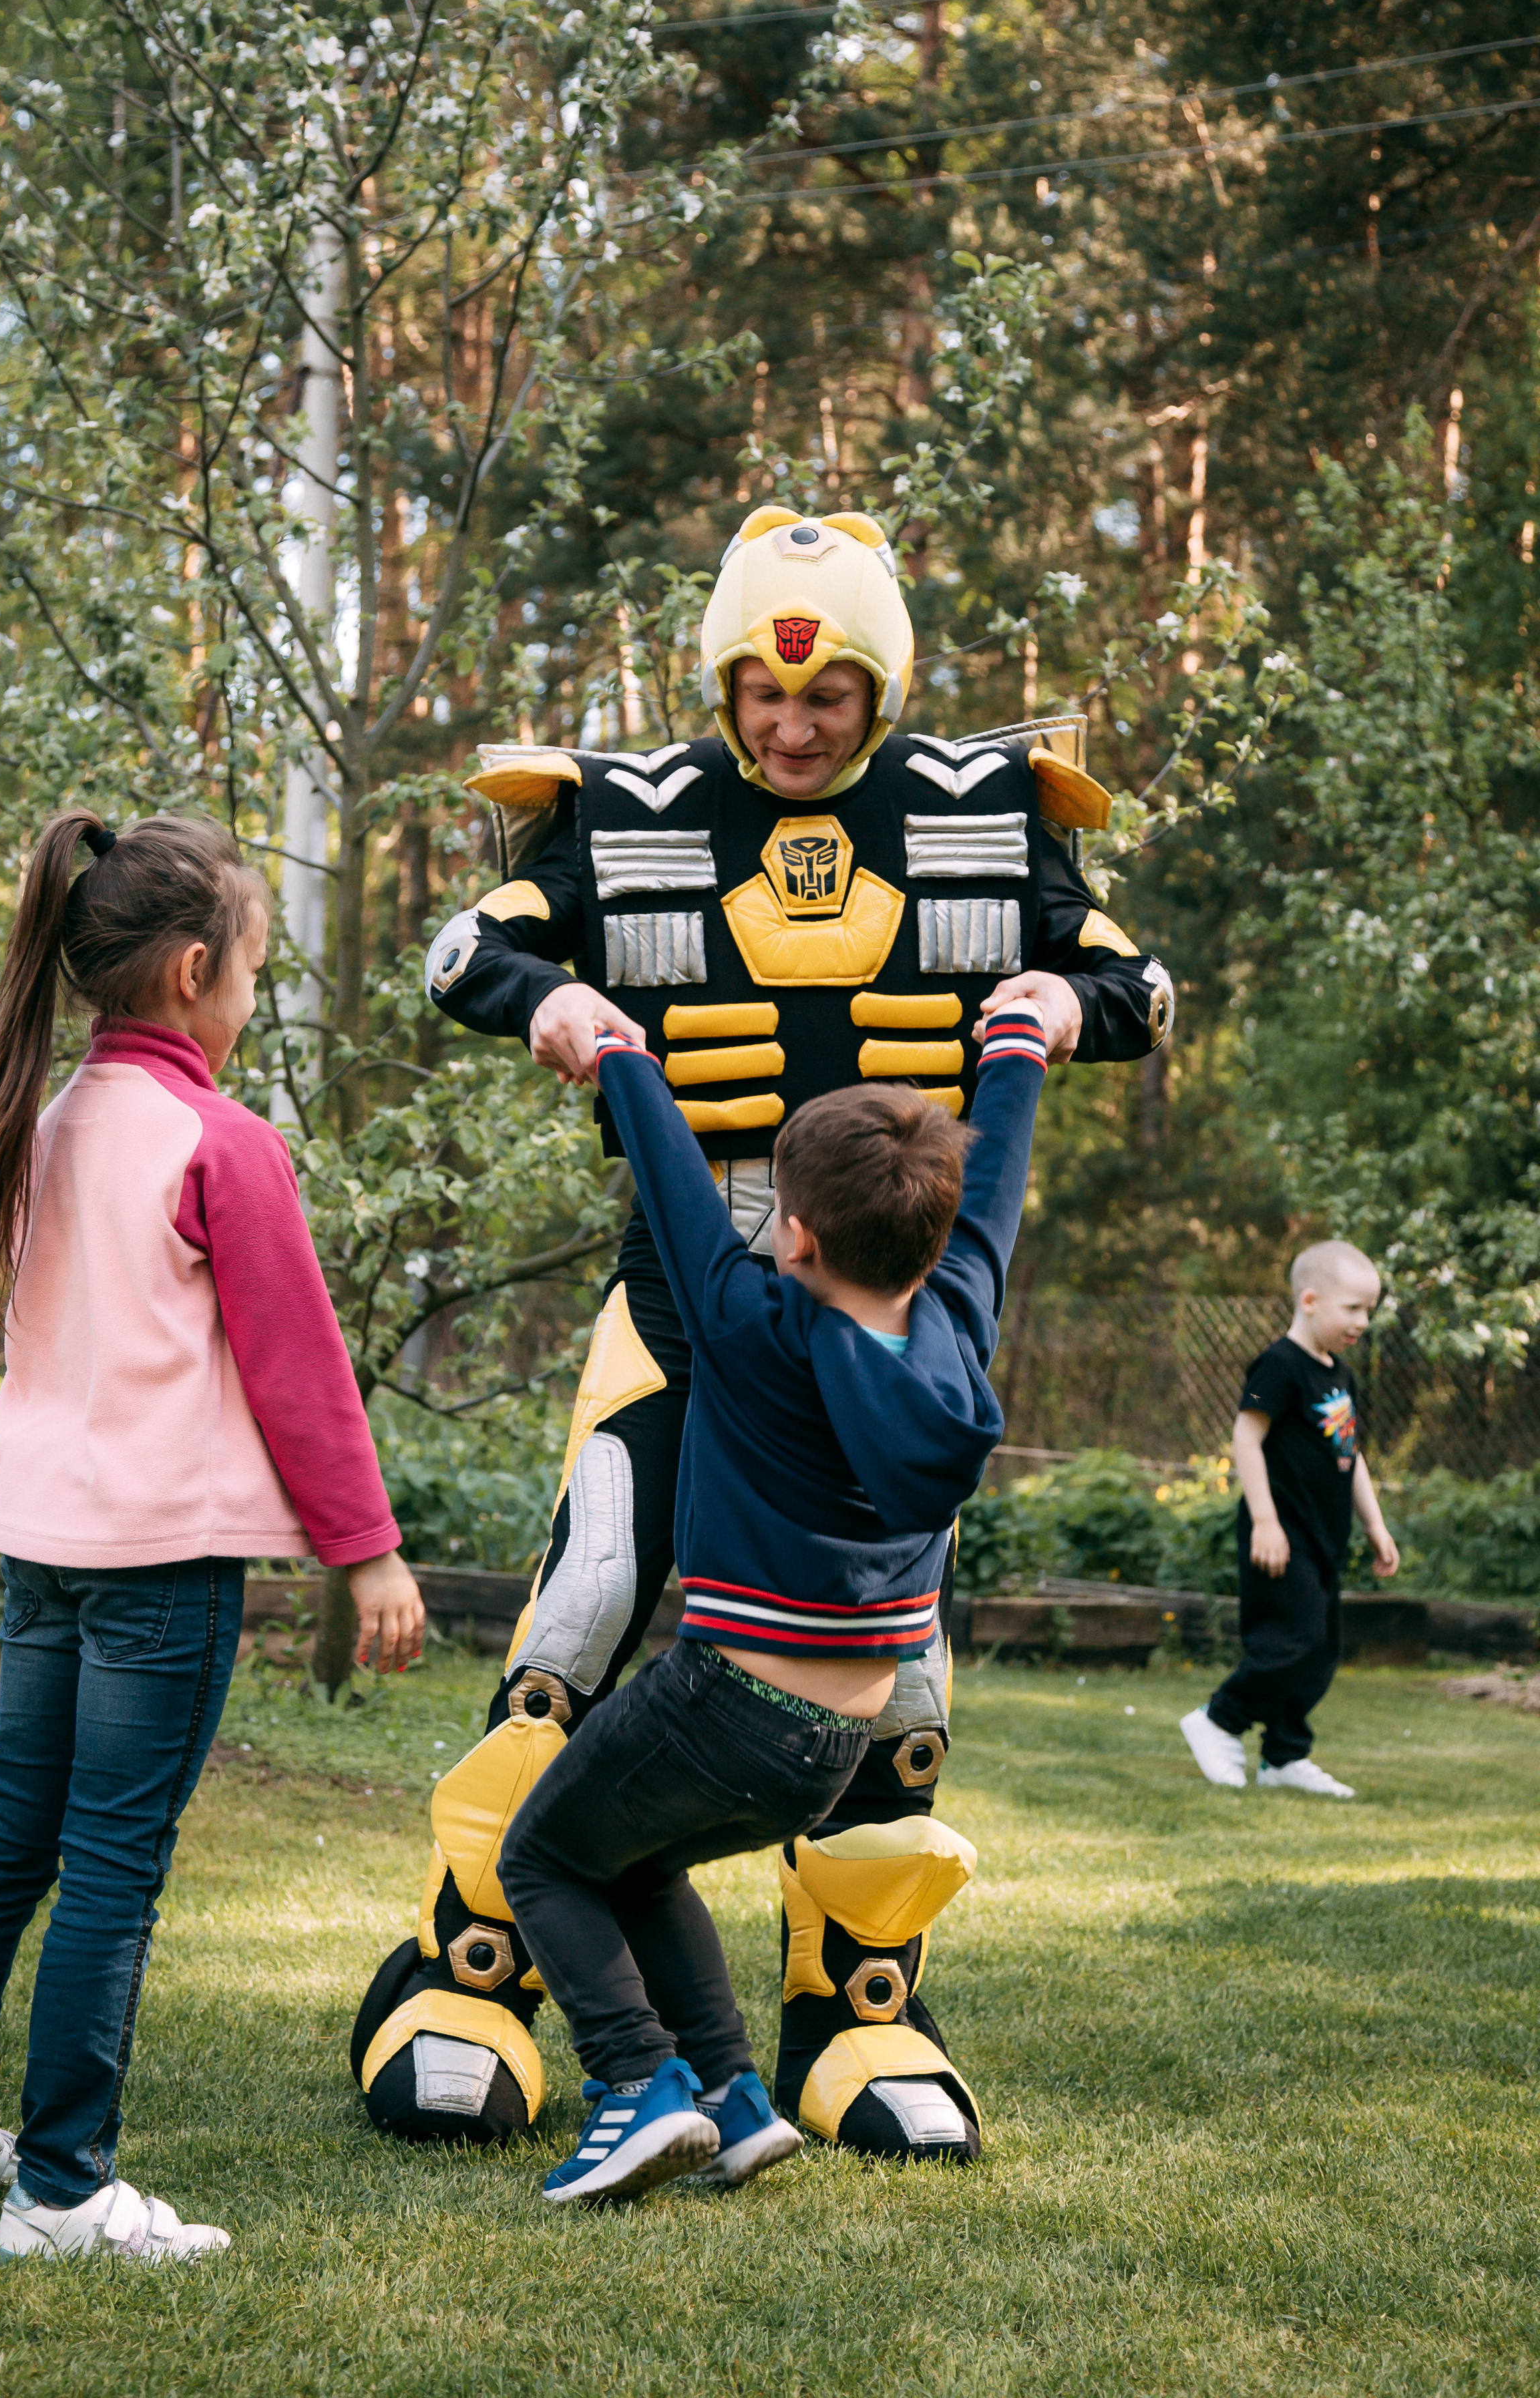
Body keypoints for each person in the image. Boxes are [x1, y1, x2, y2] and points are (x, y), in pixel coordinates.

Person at [353, 501, 1173, 2159]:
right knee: (581, 1609)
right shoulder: (630, 819)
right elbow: (462, 951)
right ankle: (469, 1969)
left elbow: (1139, 986)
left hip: (877, 1311)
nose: (791, 723)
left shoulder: (977, 819)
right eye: (762, 689)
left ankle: (853, 2009)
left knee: (905, 1667)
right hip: (685, 1309)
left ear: (879, 687)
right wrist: (552, 995)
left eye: (827, 694)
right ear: (723, 677)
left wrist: (1064, 1006)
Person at [0, 811, 424, 2262]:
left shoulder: (53, 1122)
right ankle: (62, 2192)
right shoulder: (220, 1144)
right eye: (248, 974)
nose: (248, 1000)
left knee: (14, 1836)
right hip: (158, 1565)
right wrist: (367, 1550)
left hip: (43, 1548)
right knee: (112, 1859)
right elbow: (301, 1372)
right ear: (189, 974)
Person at [493, 1002, 1050, 2204]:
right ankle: (735, 2103)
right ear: (940, 1230)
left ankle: (635, 2083)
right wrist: (1016, 1048)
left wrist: (619, 1053)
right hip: (841, 1742)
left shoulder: (749, 1323)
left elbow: (677, 1183)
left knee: (539, 1852)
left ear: (792, 1233)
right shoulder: (961, 1313)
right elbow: (994, 1180)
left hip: (726, 1697)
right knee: (630, 1861)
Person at [1181, 1240, 1399, 1799]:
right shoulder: (1278, 1365)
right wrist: (1266, 1522)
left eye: (1369, 1310)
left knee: (1321, 1650)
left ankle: (1284, 1755)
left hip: (1326, 1539)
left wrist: (1375, 1526)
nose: (1363, 1322)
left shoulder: (1340, 1375)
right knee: (1289, 1641)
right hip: (1282, 1537)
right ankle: (1219, 1719)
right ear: (1309, 1300)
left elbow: (1351, 1456)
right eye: (1353, 1308)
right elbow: (1246, 1439)